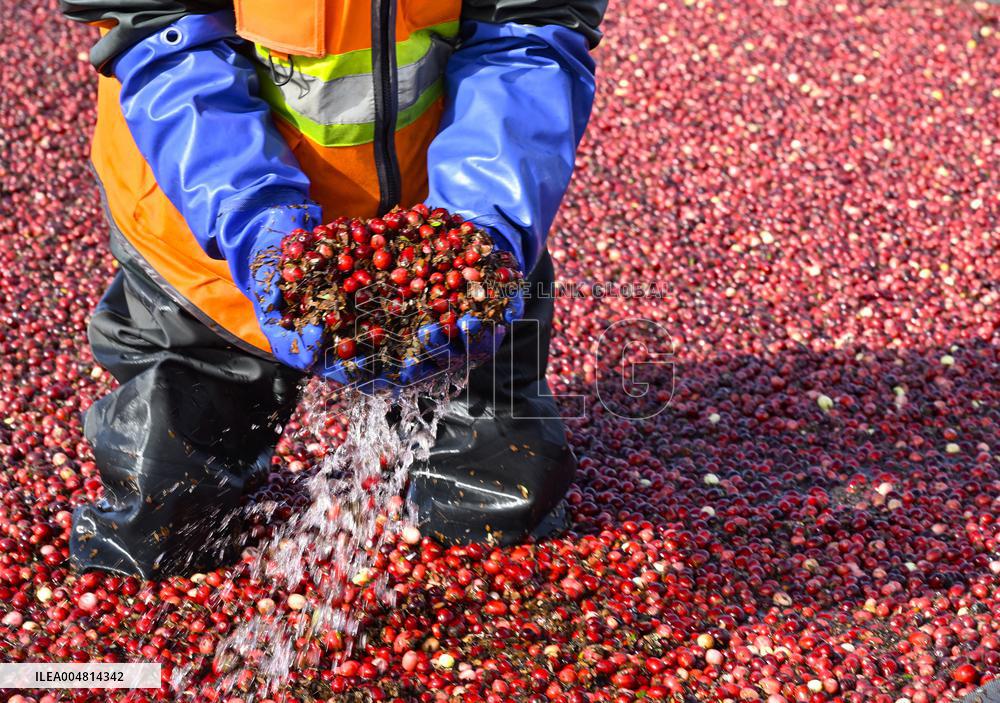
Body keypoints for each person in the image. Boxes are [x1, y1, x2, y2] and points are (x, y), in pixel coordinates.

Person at [61, 0, 606, 578]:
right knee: (163, 523)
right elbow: (161, 35)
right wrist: (252, 220)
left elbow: (529, 31)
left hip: (442, 215)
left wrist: (484, 224)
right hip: (205, 216)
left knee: (497, 498)